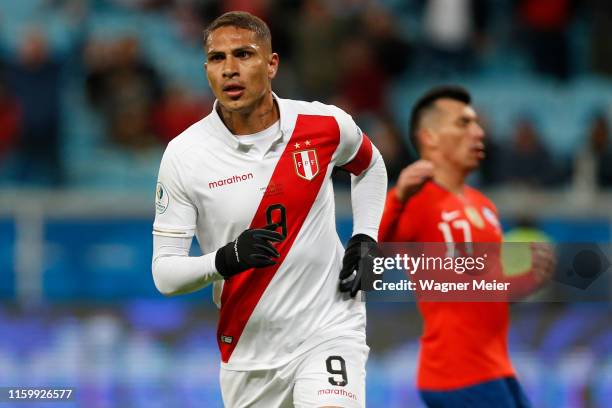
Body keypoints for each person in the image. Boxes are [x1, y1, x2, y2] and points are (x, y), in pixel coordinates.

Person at [151, 11, 387, 408]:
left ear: (272, 64)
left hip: (329, 327)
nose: (229, 70)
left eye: (243, 55)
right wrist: (229, 258)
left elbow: (370, 165)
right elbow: (165, 275)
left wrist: (365, 236)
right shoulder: (184, 155)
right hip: (249, 349)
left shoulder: (324, 124)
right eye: (217, 58)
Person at [378, 86, 555, 407]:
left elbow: (485, 291)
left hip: (494, 367)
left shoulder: (484, 206)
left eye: (476, 124)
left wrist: (524, 283)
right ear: (430, 137)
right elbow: (374, 256)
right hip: (456, 372)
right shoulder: (418, 199)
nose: (478, 132)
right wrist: (397, 198)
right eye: (463, 123)